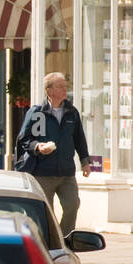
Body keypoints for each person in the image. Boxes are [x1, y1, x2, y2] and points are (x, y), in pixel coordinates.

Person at [14, 72, 91, 236]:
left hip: (66, 172)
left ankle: (64, 238)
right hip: (43, 172)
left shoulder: (72, 112)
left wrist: (85, 161)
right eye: (60, 86)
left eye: (65, 86)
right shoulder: (37, 113)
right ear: (49, 91)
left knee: (72, 205)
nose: (65, 89)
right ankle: (50, 241)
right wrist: (38, 146)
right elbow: (24, 139)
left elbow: (79, 139)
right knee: (46, 212)